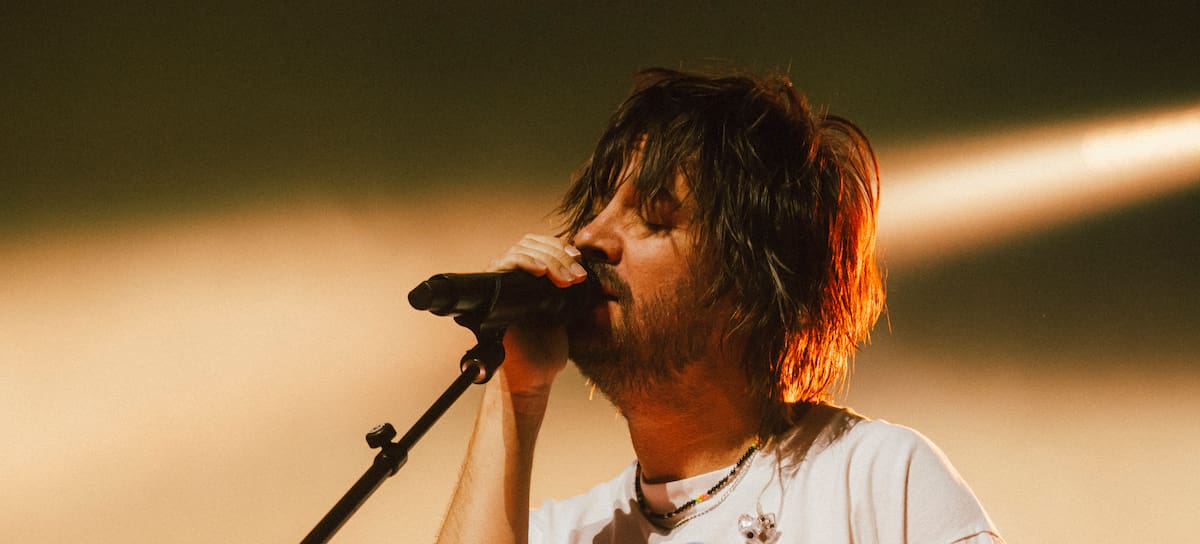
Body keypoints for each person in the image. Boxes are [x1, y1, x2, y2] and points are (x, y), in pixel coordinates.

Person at [436, 68, 1003, 543]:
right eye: (600, 207)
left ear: (753, 282)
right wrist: (514, 388)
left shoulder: (879, 480)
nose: (589, 237)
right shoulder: (565, 533)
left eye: (654, 218)